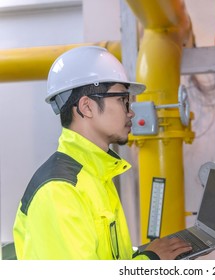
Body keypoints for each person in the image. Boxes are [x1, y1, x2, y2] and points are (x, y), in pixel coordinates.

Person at [13, 46, 192, 260]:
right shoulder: (61, 190)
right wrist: (150, 262)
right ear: (86, 107)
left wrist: (146, 257)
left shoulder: (96, 175)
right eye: (122, 100)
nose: (131, 111)